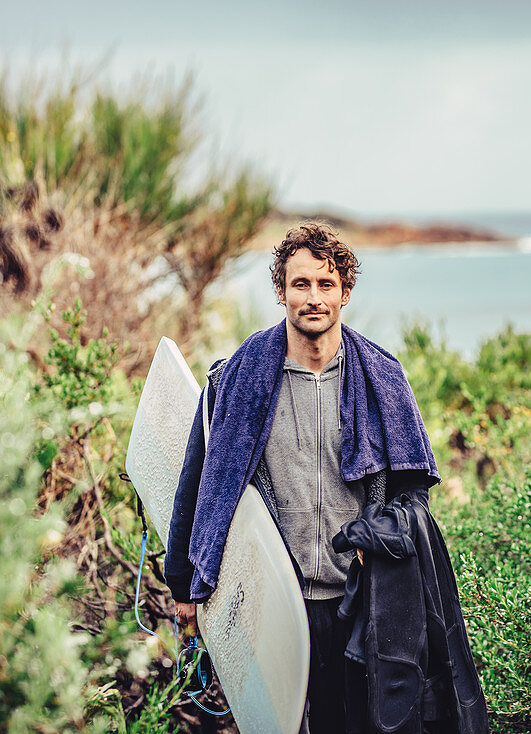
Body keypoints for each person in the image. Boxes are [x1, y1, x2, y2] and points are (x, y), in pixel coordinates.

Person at [163, 221, 441, 733]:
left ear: (345, 292)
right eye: (300, 284)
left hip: (358, 598)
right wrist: (182, 583)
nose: (313, 298)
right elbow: (198, 481)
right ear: (280, 291)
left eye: (326, 284)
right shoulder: (237, 379)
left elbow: (414, 492)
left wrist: (373, 535)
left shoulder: (382, 378)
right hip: (273, 595)